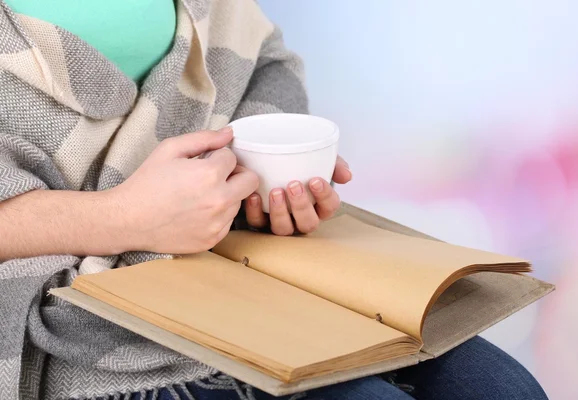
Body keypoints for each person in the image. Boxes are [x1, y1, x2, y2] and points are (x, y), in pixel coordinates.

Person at [0, 0, 547, 399]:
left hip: (231, 259)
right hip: (72, 312)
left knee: (509, 389)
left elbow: (259, 54)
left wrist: (263, 167)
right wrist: (124, 218)